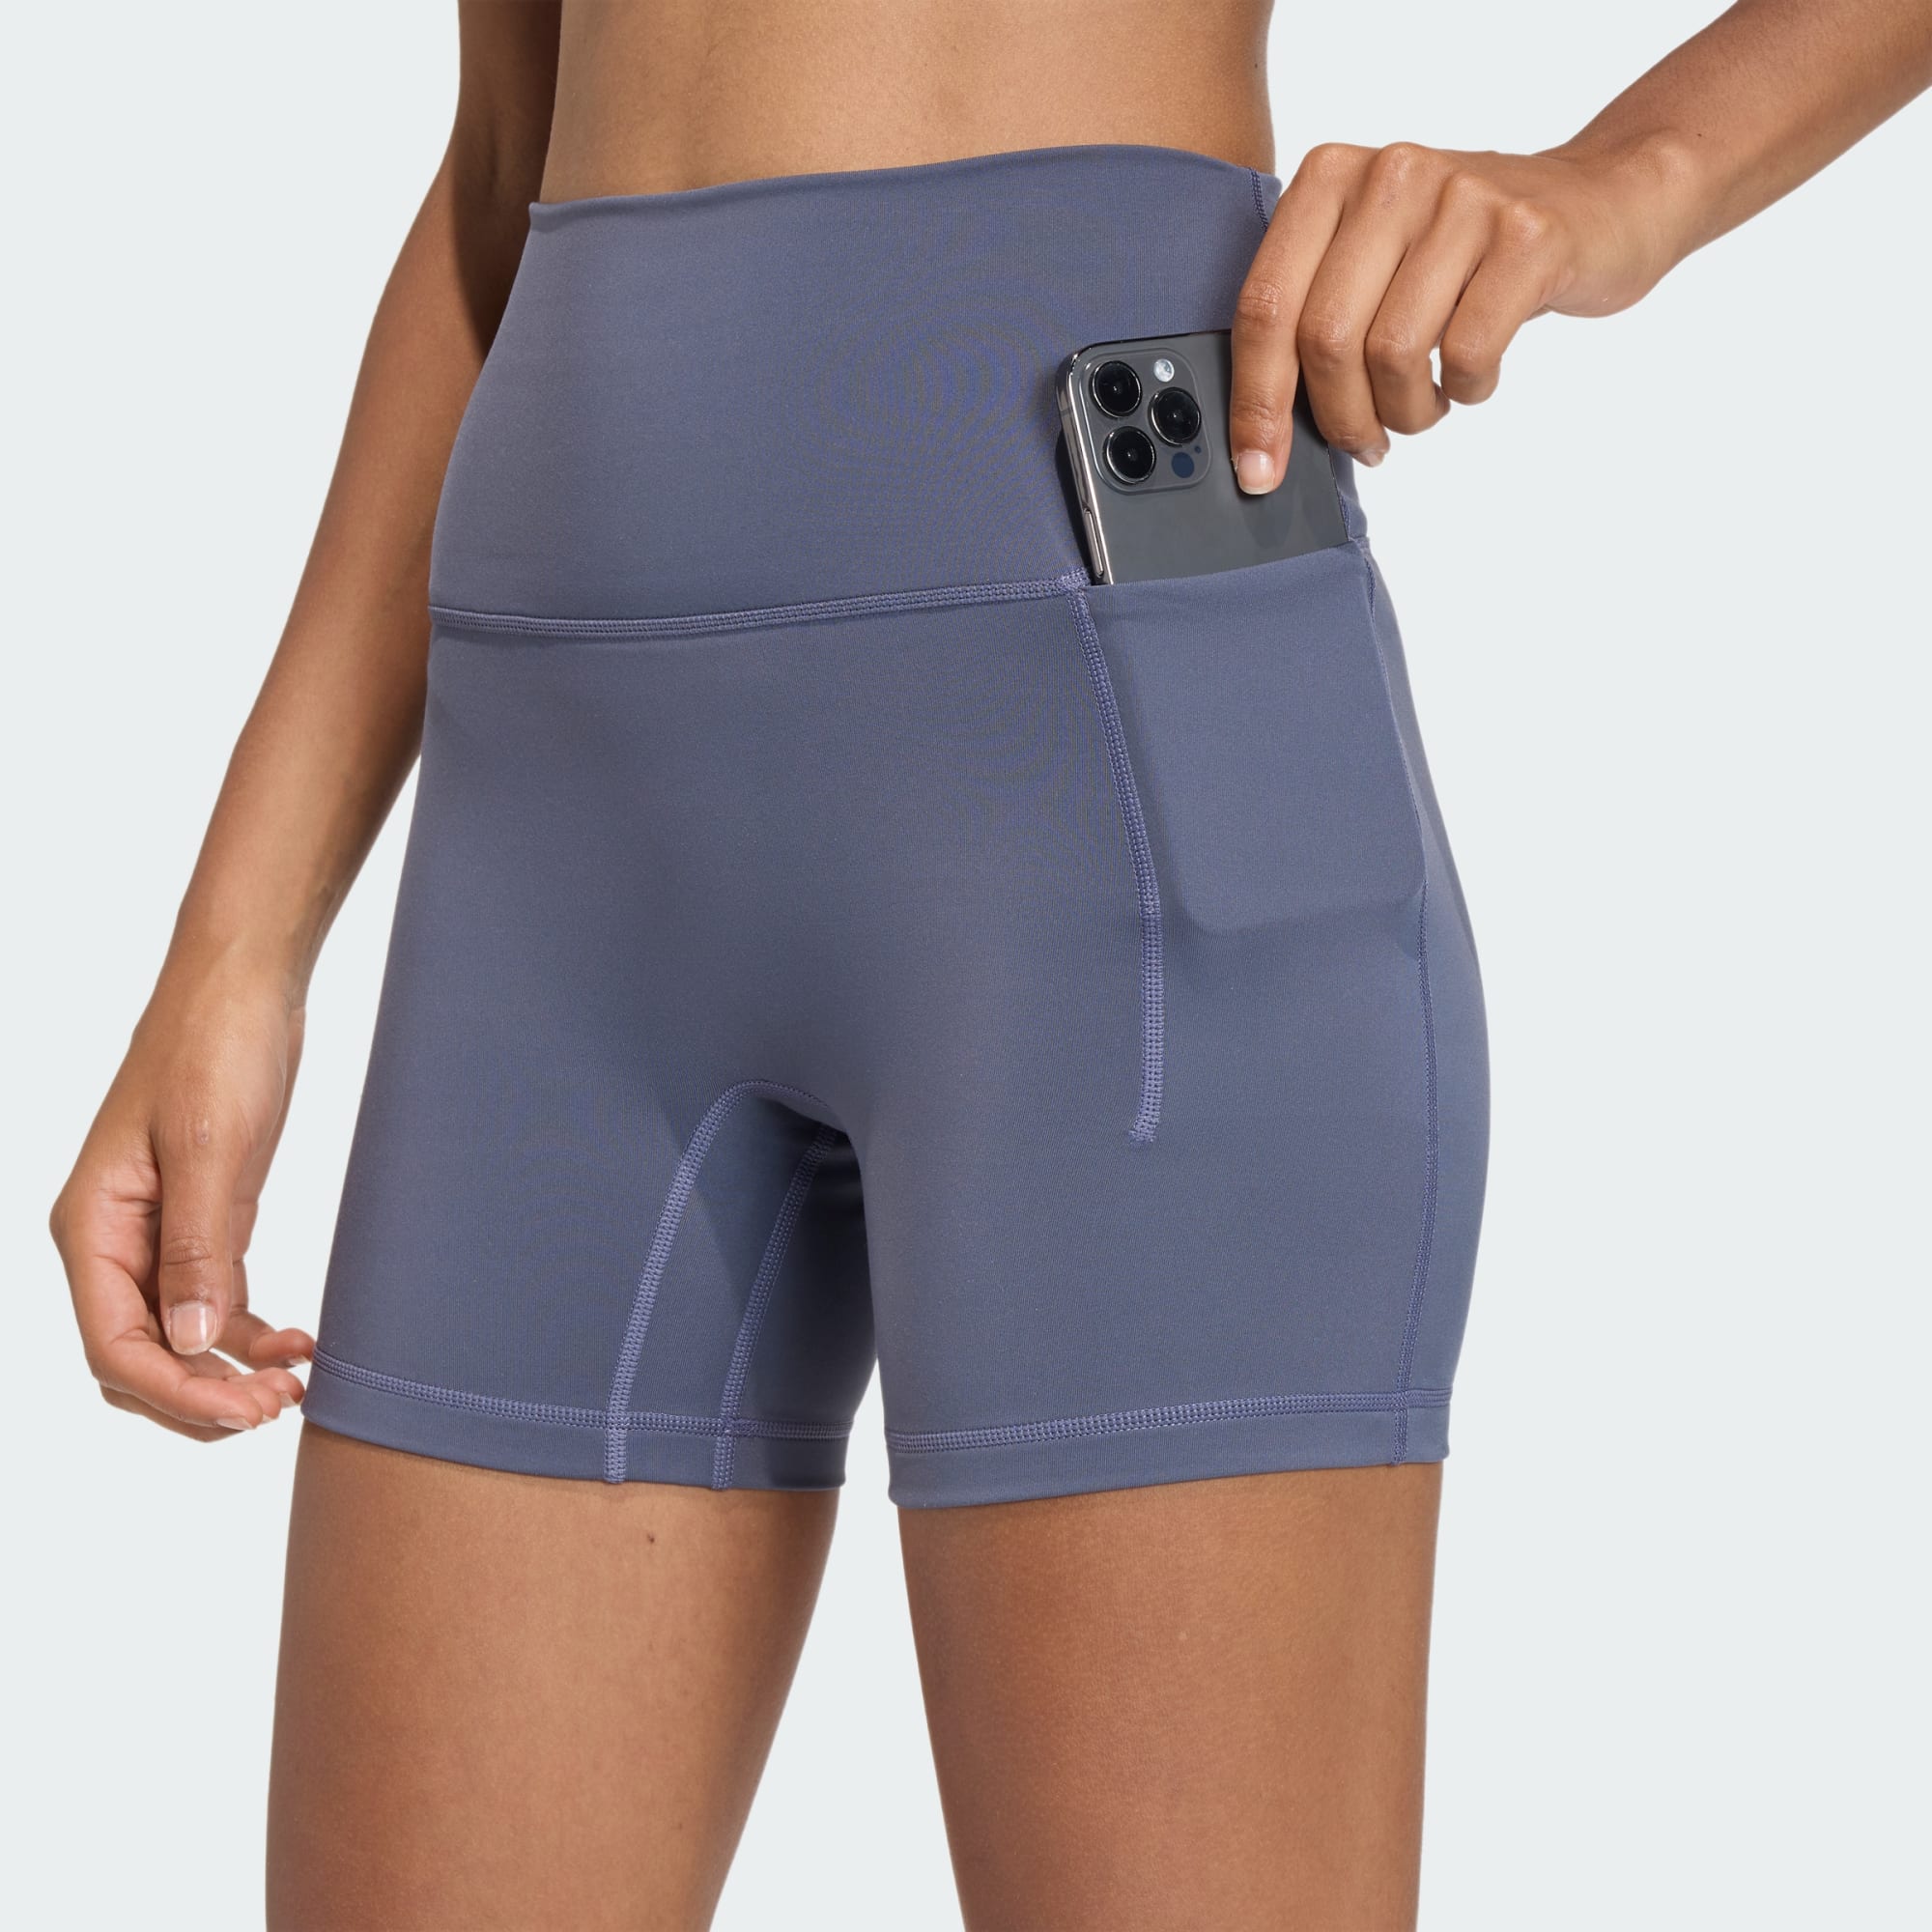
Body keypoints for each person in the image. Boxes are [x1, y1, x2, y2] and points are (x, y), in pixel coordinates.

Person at [47, 3, 1931, 1924]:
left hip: (1103, 796)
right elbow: (498, 184)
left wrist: (1626, 183)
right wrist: (234, 947)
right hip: (549, 886)